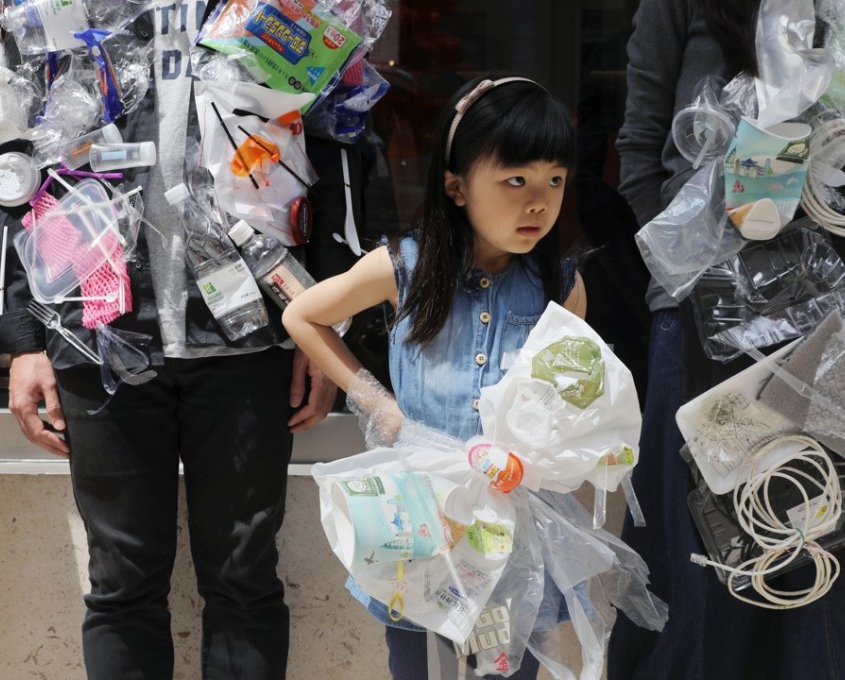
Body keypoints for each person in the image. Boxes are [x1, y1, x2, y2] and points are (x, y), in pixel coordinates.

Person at [0, 2, 361, 679]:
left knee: (244, 579)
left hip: (249, 336)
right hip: (95, 332)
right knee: (120, 586)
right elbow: (9, 160)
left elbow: (341, 151)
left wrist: (326, 326)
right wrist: (25, 337)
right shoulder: (56, 7)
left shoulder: (282, 11)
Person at [284, 74, 586, 680]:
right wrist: (376, 402)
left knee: (508, 665)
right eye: (515, 180)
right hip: (420, 527)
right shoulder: (406, 266)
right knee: (418, 663)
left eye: (555, 180)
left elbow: (569, 395)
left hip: (513, 529)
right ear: (455, 185)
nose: (538, 201)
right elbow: (303, 315)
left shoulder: (562, 285)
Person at [608, 0, 845, 677]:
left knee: (812, 531)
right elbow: (640, 149)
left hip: (827, 315)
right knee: (700, 544)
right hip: (702, 318)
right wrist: (690, 261)